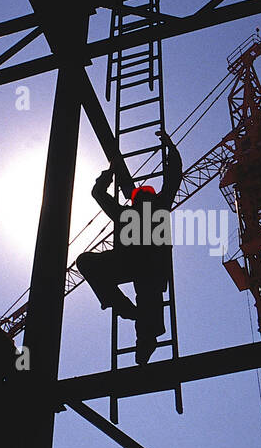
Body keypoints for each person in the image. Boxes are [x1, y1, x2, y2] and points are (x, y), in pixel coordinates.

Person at [76, 129, 183, 365]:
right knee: (85, 262)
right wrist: (110, 173)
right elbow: (98, 193)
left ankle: (144, 336)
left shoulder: (150, 208)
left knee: (148, 297)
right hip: (136, 264)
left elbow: (174, 176)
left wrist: (171, 149)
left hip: (148, 266)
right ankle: (129, 312)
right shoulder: (136, 212)